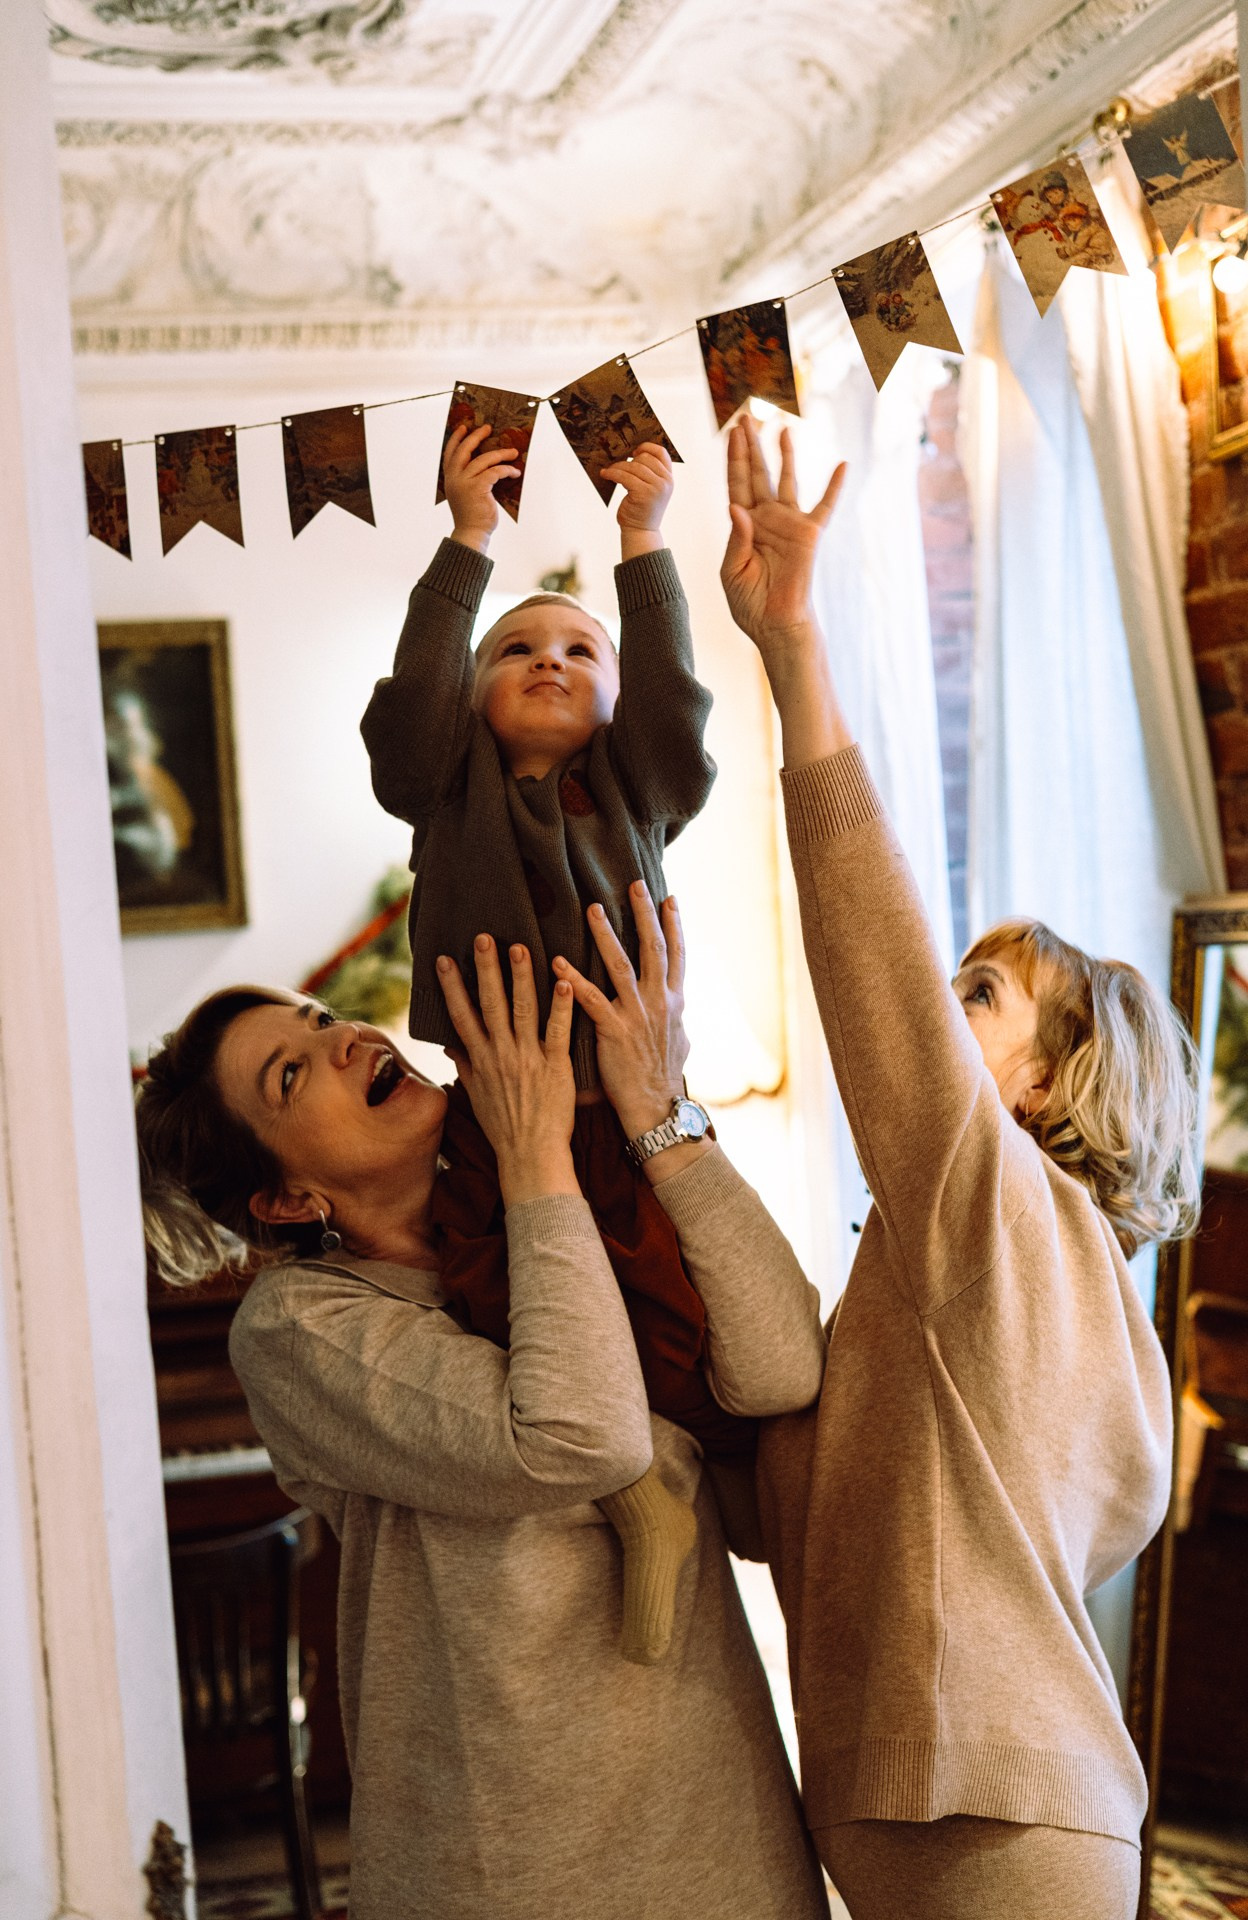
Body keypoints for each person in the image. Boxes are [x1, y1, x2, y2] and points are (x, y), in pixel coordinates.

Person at [719, 415, 1196, 1920]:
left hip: (995, 1822)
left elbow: (868, 942)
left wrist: (794, 649)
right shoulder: (1035, 1285)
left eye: (979, 998)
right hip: (973, 1814)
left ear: (1044, 1084)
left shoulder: (997, 1212)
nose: (939, 1008)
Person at [134, 889, 829, 1920]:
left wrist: (657, 1118)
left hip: (717, 1821)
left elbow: (782, 1371)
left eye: (323, 1022)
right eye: (291, 1073)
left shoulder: (545, 1210)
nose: (342, 1042)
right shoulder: (295, 1327)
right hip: (509, 1859)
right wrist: (535, 1153)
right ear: (287, 1200)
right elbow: (574, 1437)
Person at [361, 421, 736, 1664]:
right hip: (491, 1103)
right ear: (471, 698)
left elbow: (678, 707)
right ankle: (623, 1490)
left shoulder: (636, 788)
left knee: (661, 1298)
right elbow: (407, 714)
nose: (548, 661)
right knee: (494, 1293)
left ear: (615, 702)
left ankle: (674, 1476)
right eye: (515, 649)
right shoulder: (444, 785)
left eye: (581, 651)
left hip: (622, 1106)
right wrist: (466, 540)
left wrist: (646, 543)